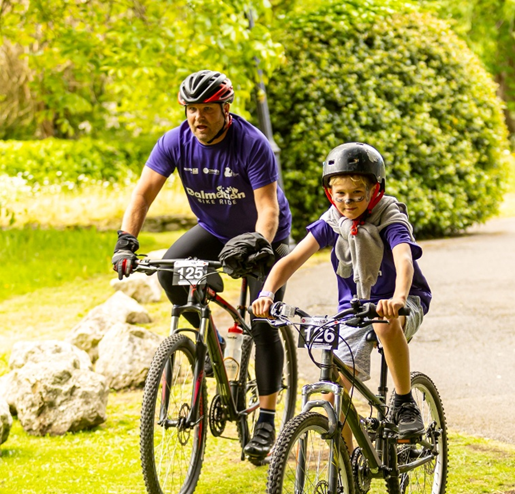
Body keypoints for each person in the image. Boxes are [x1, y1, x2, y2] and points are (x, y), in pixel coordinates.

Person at [111, 69, 292, 460]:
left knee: (262, 320)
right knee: (170, 272)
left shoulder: (251, 144)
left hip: (264, 237)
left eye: (207, 109)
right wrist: (126, 242)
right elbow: (143, 194)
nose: (198, 118)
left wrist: (259, 244)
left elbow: (267, 209)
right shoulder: (175, 141)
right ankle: (215, 346)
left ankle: (265, 418)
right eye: (192, 109)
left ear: (225, 109)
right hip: (214, 228)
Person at [252, 142, 432, 448]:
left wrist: (399, 297)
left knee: (383, 323)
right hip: (354, 309)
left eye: (357, 195)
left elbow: (403, 259)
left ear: (375, 191)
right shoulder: (333, 219)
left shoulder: (389, 214)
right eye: (341, 195)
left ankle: (404, 402)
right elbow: (292, 259)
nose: (348, 202)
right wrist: (267, 292)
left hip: (401, 303)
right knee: (333, 388)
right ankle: (348, 476)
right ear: (330, 193)